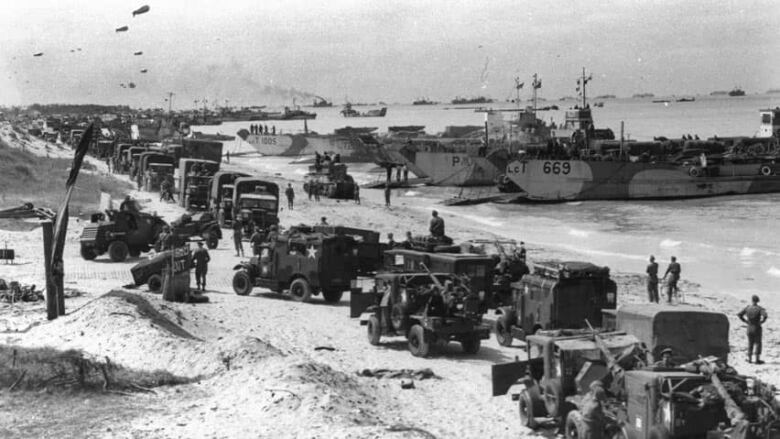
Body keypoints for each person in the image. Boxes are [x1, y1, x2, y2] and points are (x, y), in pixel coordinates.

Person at [737, 295, 768, 364]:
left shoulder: (747, 308)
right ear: (757, 301)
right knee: (758, 343)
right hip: (756, 327)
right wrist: (762, 322)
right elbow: (765, 315)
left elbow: (739, 315)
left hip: (749, 327)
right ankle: (757, 360)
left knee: (750, 343)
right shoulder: (759, 309)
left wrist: (745, 321)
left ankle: (750, 359)